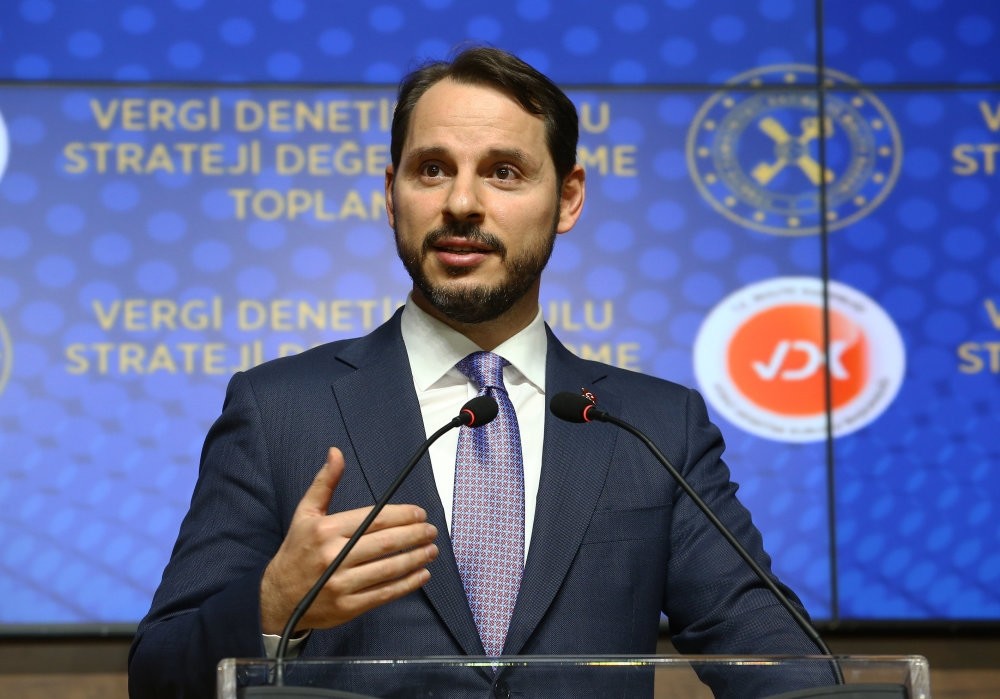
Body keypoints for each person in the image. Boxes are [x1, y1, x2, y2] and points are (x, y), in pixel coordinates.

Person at [128, 46, 833, 698]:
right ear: (391, 192)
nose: (461, 203)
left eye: (503, 172)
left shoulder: (654, 428)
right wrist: (271, 605)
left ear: (568, 198)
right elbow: (158, 673)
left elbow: (776, 657)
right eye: (431, 168)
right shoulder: (279, 409)